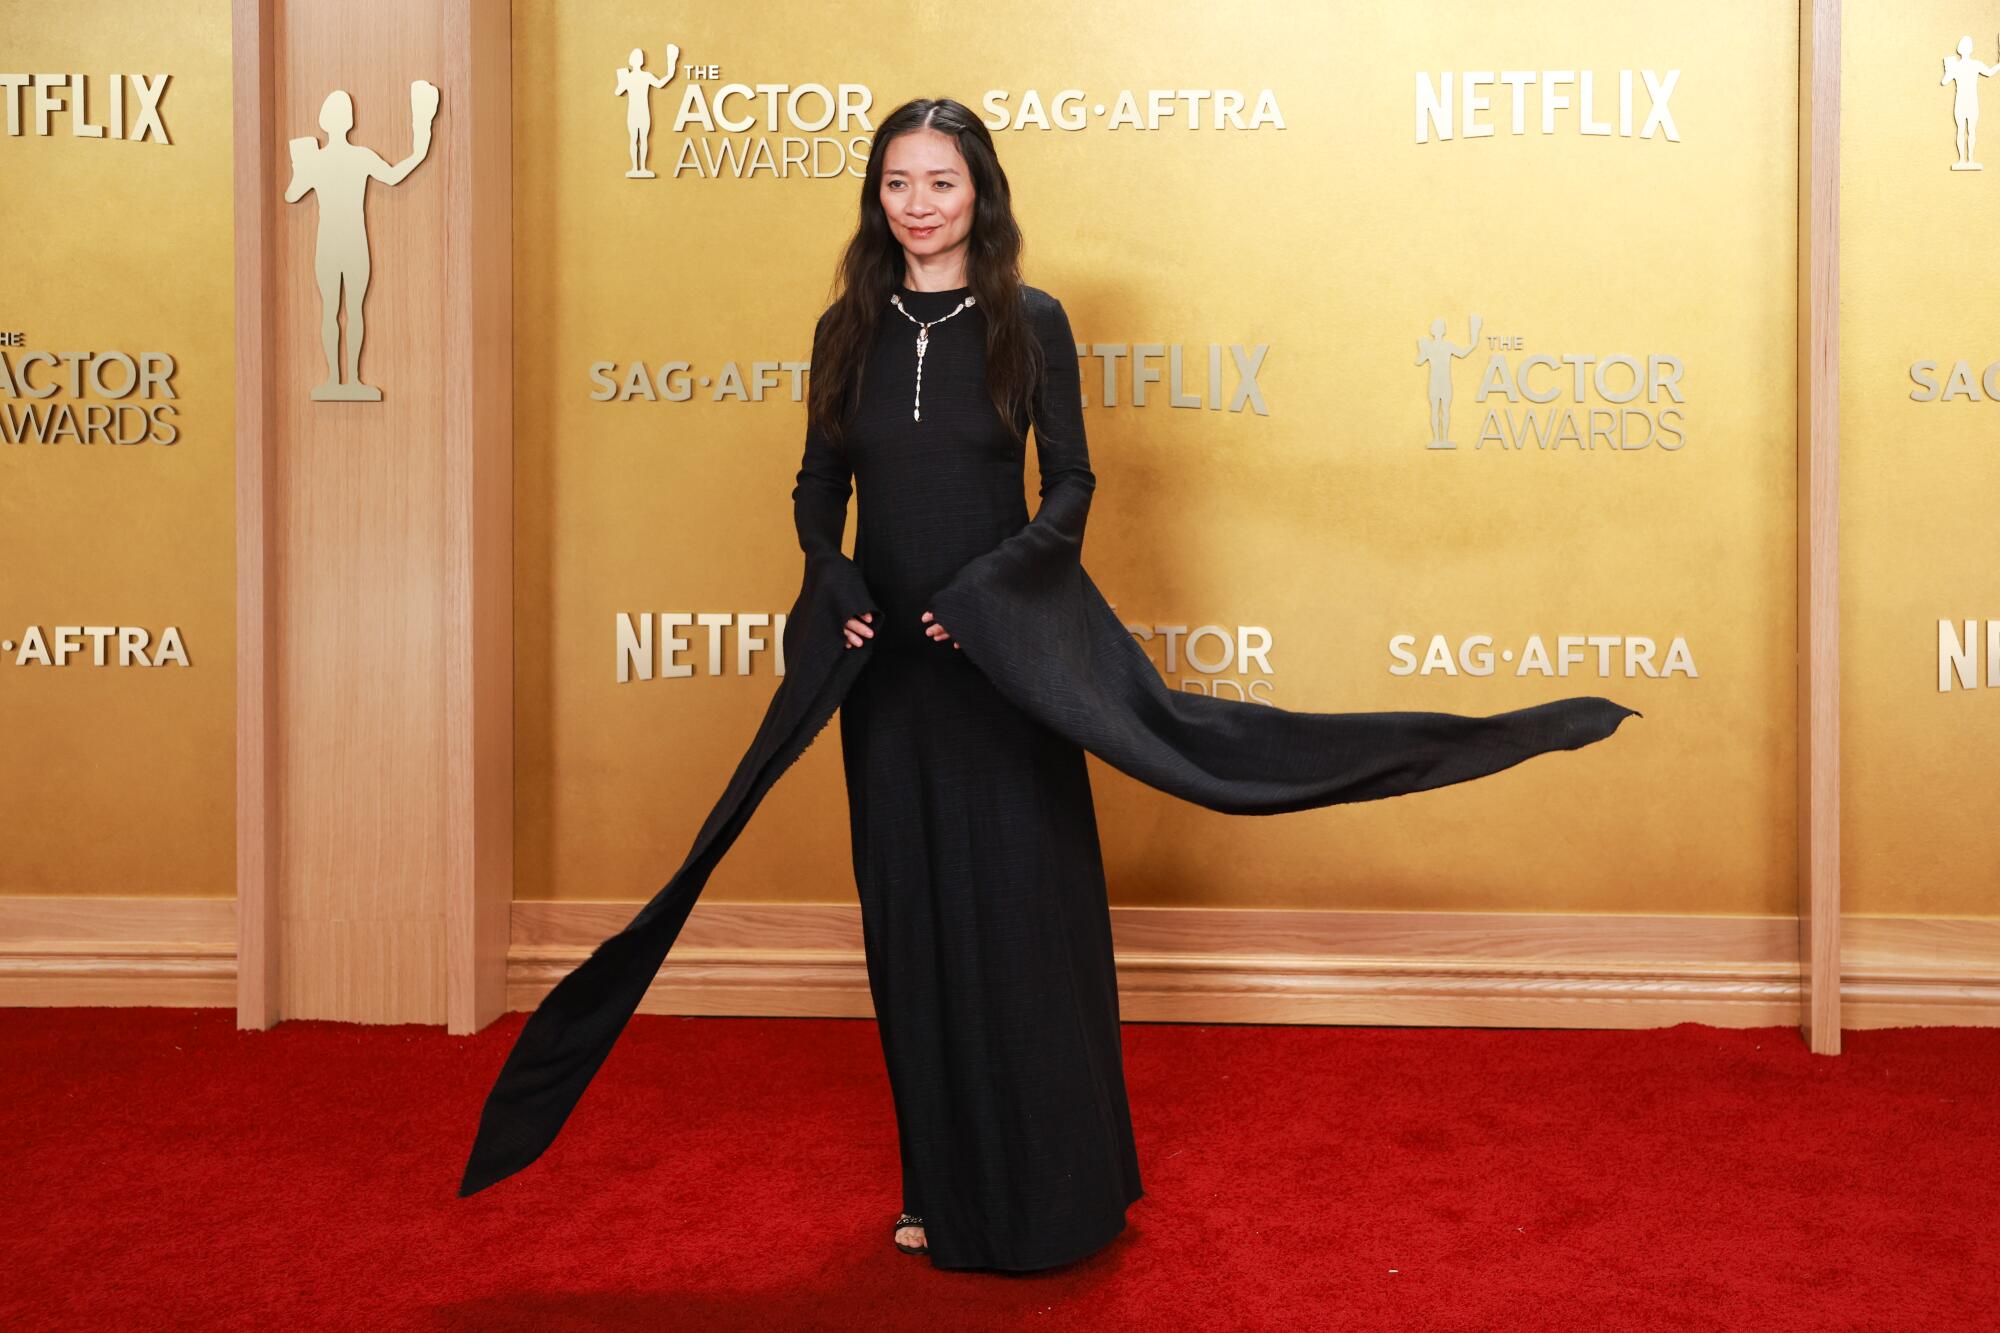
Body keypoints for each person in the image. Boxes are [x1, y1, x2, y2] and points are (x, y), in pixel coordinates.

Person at [457, 97, 1641, 1275]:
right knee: (912, 932)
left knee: (1027, 927)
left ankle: (1062, 1194)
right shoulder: (846, 331)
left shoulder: (1033, 323)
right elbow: (819, 490)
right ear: (876, 199)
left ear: (980, 192)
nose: (917, 207)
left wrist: (985, 596)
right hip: (890, 688)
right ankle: (938, 1190)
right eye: (895, 185)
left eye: (939, 184)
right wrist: (831, 577)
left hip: (1004, 672)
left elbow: (1068, 486)